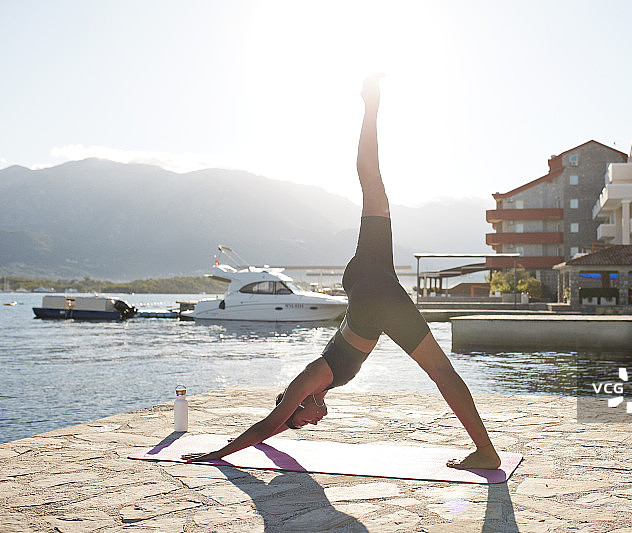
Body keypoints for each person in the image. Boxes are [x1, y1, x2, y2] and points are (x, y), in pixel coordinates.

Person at [183, 74, 501, 470]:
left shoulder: (310, 378)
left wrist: (219, 453)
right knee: (373, 184)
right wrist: (270, 436)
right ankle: (485, 450)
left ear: (299, 402)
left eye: (303, 419)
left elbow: (271, 422)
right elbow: (277, 425)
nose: (312, 422)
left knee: (371, 182)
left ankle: (371, 106)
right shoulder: (318, 388)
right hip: (374, 288)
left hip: (372, 294)